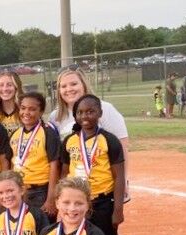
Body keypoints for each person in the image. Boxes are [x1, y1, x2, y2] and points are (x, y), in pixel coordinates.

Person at [60, 94, 125, 235]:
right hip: (77, 207)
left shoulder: (109, 140)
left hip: (103, 202)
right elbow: (63, 173)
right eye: (80, 112)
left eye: (90, 111)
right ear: (75, 115)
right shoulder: (69, 141)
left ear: (99, 113)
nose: (85, 116)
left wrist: (118, 209)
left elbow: (119, 175)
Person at [48, 66, 130, 202]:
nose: (69, 89)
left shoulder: (105, 109)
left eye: (74, 84)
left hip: (103, 185)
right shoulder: (55, 116)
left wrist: (124, 180)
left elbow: (123, 147)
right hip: (73, 187)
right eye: (63, 86)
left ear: (84, 85)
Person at [10, 91, 61, 221]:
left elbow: (54, 166)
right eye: (23, 108)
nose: (26, 112)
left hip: (40, 192)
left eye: (32, 109)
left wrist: (51, 199)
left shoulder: (48, 133)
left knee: (42, 233)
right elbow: (12, 164)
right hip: (19, 191)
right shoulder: (16, 134)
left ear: (41, 111)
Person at [0, 70, 24, 137]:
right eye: (1, 85)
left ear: (16, 87)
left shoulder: (25, 109)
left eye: (9, 85)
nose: (5, 89)